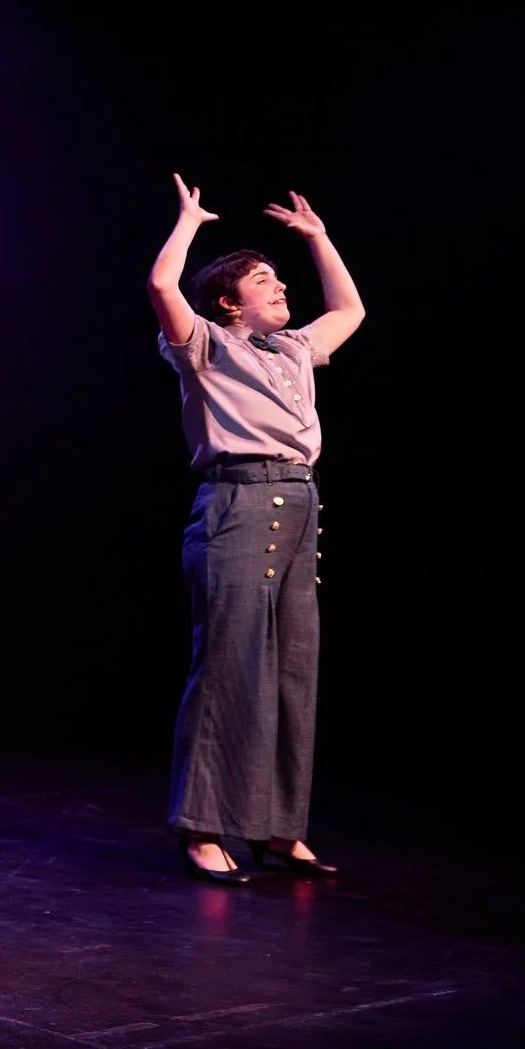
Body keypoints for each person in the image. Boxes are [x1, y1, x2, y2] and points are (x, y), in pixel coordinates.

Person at [146, 176, 364, 884]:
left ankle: (279, 829)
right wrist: (188, 222)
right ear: (228, 301)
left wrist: (318, 238)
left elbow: (349, 307)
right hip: (237, 505)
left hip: (301, 505)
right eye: (262, 281)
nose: (279, 288)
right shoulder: (206, 345)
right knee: (230, 667)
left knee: (294, 669)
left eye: (279, 278)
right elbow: (160, 285)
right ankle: (202, 828)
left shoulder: (295, 350)